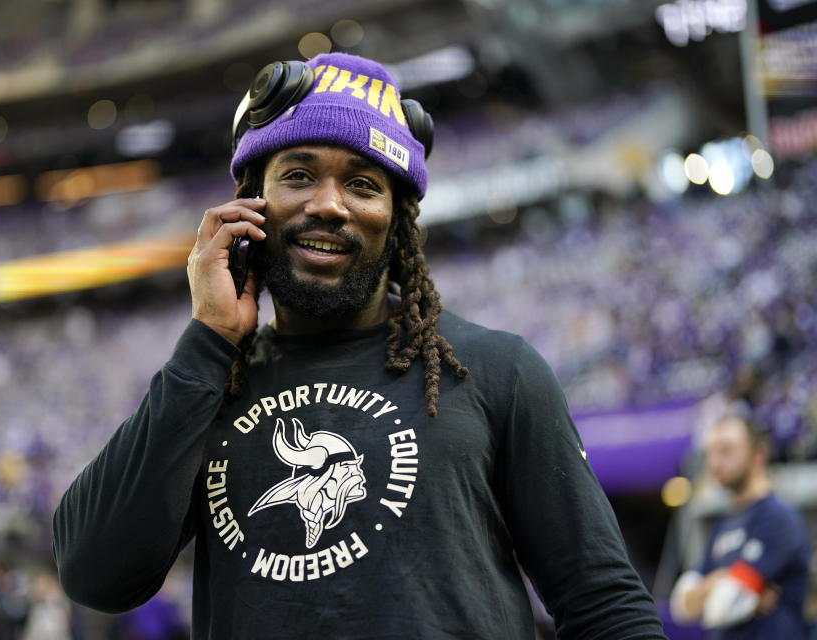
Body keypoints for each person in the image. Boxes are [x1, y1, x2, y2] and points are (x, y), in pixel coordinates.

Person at [53, 51, 667, 638]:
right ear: (249, 204)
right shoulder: (209, 386)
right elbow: (94, 575)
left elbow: (603, 604)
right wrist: (207, 342)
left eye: (364, 185)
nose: (329, 205)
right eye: (297, 175)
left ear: (395, 217)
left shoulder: (499, 371)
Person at [670, 414, 811, 637]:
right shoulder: (723, 524)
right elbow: (682, 605)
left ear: (758, 455)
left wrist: (713, 589)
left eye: (726, 450)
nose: (715, 462)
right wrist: (725, 579)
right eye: (711, 452)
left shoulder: (778, 518)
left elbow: (721, 607)